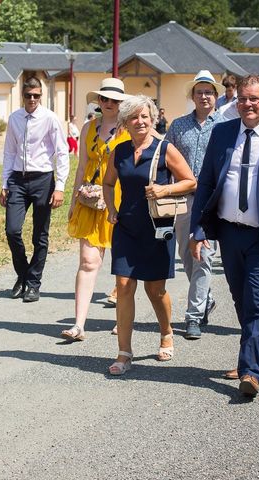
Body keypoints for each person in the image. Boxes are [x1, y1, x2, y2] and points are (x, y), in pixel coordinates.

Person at [190, 75, 259, 397]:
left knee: (257, 302)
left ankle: (250, 372)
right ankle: (255, 353)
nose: (248, 105)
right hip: (229, 232)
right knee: (242, 300)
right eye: (243, 98)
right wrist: (198, 229)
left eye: (255, 99)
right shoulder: (223, 133)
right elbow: (206, 182)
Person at [102, 95, 196, 375]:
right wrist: (111, 209)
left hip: (158, 228)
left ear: (152, 119)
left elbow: (191, 181)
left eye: (145, 116)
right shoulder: (118, 151)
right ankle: (124, 353)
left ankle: (166, 332)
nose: (140, 121)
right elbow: (108, 183)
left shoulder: (164, 149)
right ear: (125, 122)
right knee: (124, 285)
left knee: (155, 290)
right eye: (134, 117)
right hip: (126, 227)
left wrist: (164, 190)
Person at [61, 78, 132, 341]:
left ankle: (123, 320)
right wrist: (72, 201)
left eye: (115, 100)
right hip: (90, 201)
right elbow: (81, 167)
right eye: (105, 99)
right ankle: (79, 324)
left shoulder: (129, 128)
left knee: (122, 265)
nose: (109, 103)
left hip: (121, 200)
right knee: (88, 261)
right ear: (99, 102)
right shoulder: (89, 127)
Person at [165, 70, 226, 340]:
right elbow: (165, 160)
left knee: (204, 257)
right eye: (200, 92)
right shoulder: (178, 126)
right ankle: (206, 298)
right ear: (192, 96)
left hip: (213, 202)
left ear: (216, 96)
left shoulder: (225, 126)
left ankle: (193, 316)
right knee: (186, 256)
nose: (204, 96)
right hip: (183, 200)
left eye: (209, 92)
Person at [0, 76, 70, 303]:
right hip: (18, 181)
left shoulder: (50, 119)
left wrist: (59, 187)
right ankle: (23, 275)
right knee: (12, 230)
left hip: (43, 179)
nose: (32, 99)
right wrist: (4, 183)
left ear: (42, 96)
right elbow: (9, 152)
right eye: (28, 95)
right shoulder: (14, 118)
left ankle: (33, 283)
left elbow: (61, 152)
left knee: (40, 235)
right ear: (22, 94)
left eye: (36, 96)